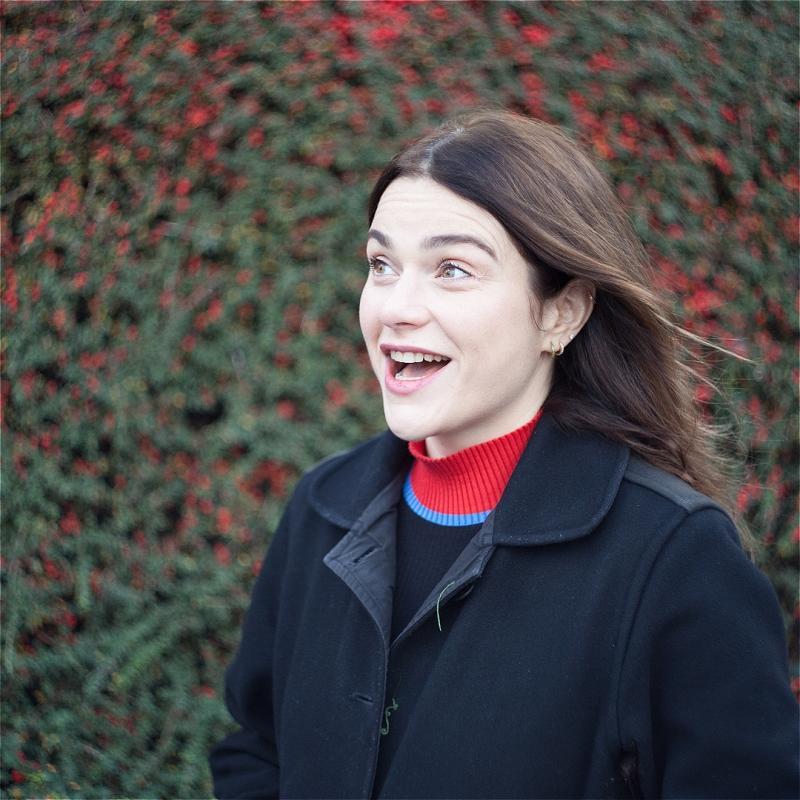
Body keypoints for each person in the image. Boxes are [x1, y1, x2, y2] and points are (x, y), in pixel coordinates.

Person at [209, 110, 799, 798]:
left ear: (561, 314)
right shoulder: (323, 507)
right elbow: (257, 749)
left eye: (452, 269)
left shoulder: (674, 557)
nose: (396, 307)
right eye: (381, 264)